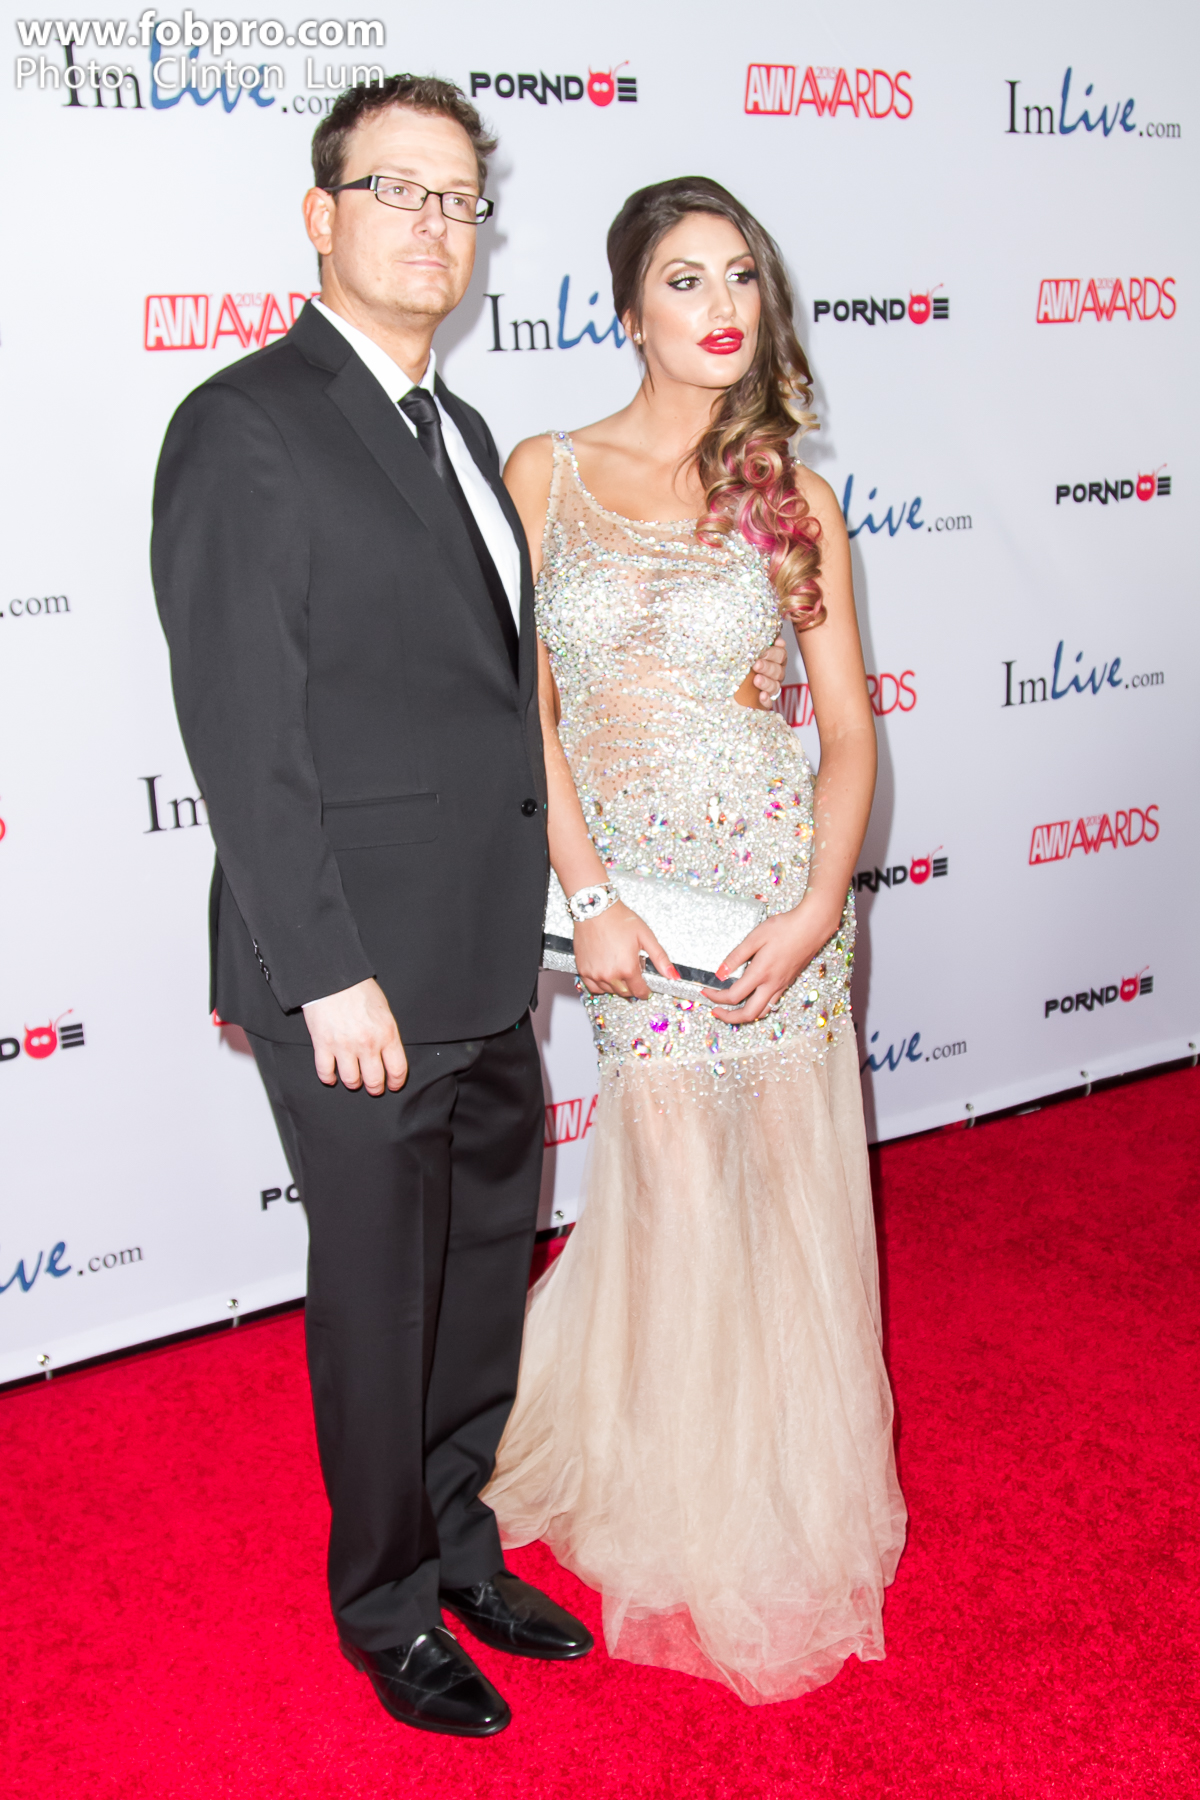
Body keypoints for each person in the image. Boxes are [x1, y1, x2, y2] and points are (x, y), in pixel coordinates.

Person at [151, 84, 787, 1737]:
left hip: (490, 958)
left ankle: (458, 1543)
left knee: (481, 1273)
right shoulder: (245, 425)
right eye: (398, 189)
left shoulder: (458, 428)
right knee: (380, 1304)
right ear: (321, 215)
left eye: (459, 198)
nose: (435, 225)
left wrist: (571, 902)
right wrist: (324, 972)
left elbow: (494, 707)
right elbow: (244, 733)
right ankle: (384, 1609)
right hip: (357, 977)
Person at [486, 177, 908, 1705]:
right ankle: (677, 1494)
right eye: (685, 277)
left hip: (776, 890)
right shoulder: (547, 471)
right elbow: (524, 713)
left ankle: (781, 1481)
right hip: (636, 904)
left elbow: (847, 732)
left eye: (741, 275)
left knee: (789, 1195)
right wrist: (589, 894)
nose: (721, 304)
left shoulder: (791, 498)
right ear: (628, 308)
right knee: (672, 1189)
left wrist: (818, 906)